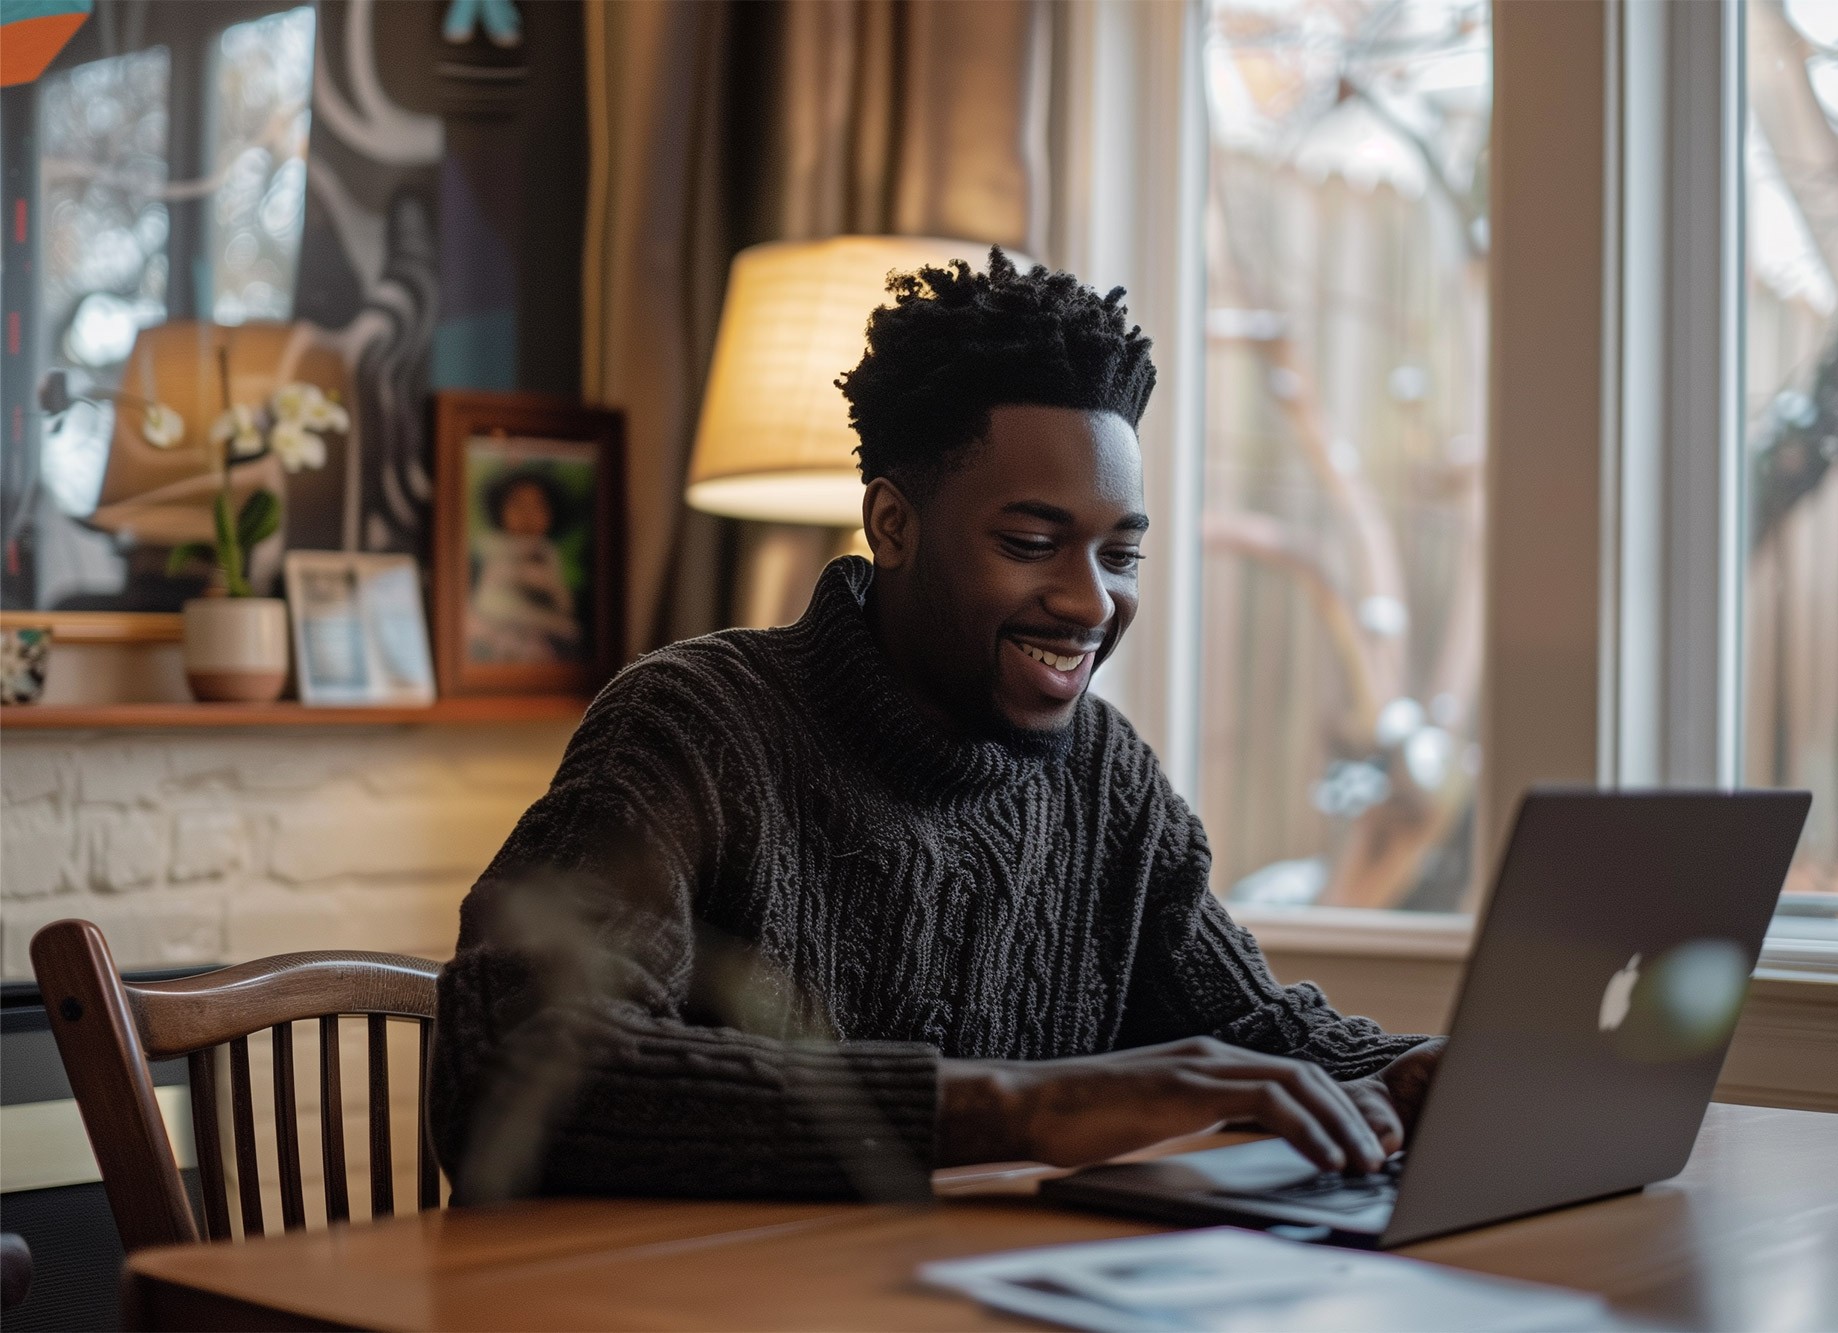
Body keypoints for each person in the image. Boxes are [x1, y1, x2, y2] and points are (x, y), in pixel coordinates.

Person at [430, 251, 1444, 1202]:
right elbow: (518, 1069)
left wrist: (1427, 1072)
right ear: (892, 525)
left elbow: (1248, 1030)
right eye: (1031, 541)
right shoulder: (694, 725)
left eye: (1118, 556)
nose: (1090, 602)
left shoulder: (1101, 775)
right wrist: (1020, 1105)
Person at [466, 468, 583, 665]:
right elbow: (484, 602)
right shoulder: (487, 549)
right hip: (493, 633)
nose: (527, 515)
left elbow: (563, 604)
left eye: (538, 506)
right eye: (518, 504)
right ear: (500, 509)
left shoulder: (547, 554)